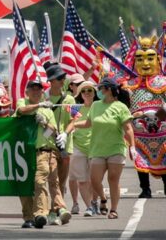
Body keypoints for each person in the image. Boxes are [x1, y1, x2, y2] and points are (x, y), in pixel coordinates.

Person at [72, 78, 135, 220]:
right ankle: (103, 198)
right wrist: (72, 126)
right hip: (97, 149)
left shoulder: (120, 107)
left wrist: (133, 147)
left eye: (102, 88)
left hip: (116, 148)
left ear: (110, 90)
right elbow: (88, 123)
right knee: (94, 180)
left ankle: (113, 209)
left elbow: (128, 129)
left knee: (113, 179)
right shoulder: (95, 105)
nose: (99, 91)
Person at [15, 80, 69, 229]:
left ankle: (41, 213)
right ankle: (29, 217)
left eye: (39, 90)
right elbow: (21, 111)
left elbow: (51, 134)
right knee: (25, 185)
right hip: (23, 152)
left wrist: (44, 123)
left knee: (40, 181)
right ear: (27, 92)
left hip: (42, 151)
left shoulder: (48, 110)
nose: (36, 92)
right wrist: (38, 106)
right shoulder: (23, 101)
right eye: (33, 90)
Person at [44, 62, 74, 224]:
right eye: (59, 78)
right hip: (48, 144)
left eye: (63, 77)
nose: (63, 80)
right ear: (51, 80)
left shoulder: (69, 98)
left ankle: (55, 212)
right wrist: (51, 134)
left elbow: (74, 120)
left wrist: (64, 133)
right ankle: (59, 210)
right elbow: (40, 124)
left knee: (61, 181)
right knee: (52, 179)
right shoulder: (44, 98)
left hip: (65, 145)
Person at [65, 81, 100, 216]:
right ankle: (89, 206)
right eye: (84, 91)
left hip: (96, 146)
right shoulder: (75, 108)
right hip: (78, 146)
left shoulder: (99, 106)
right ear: (80, 93)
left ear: (94, 92)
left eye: (89, 90)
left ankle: (95, 202)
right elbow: (69, 123)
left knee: (95, 180)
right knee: (82, 180)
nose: (86, 93)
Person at [131, 105, 166, 197]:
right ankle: (145, 189)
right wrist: (135, 115)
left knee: (164, 160)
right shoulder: (130, 90)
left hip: (161, 132)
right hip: (141, 133)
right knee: (141, 159)